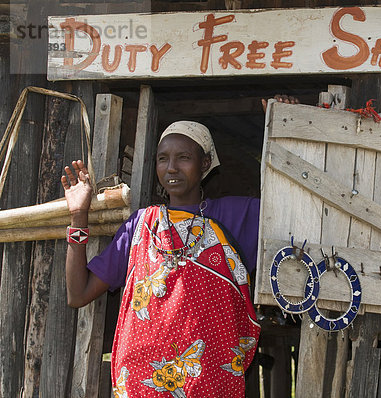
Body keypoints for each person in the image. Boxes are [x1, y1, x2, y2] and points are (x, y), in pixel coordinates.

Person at [62, 121, 261, 397]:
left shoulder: (238, 215)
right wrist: (78, 216)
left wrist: (290, 122)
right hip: (141, 383)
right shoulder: (141, 227)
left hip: (209, 385)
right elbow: (78, 293)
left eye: (184, 158)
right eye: (163, 159)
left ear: (205, 164)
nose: (171, 168)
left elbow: (292, 205)